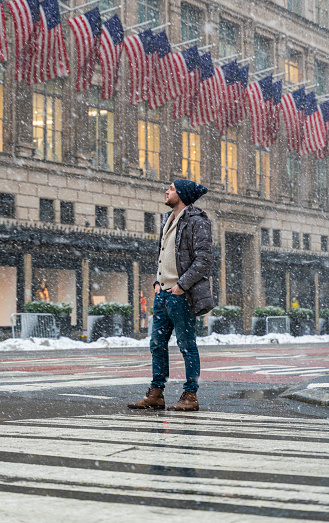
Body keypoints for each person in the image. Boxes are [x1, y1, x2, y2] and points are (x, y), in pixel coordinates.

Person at [128, 179, 213, 412]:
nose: (167, 191)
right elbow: (163, 254)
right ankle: (156, 393)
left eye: (172, 189)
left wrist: (181, 286)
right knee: (156, 343)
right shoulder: (167, 219)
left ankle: (190, 395)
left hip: (181, 295)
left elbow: (204, 260)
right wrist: (157, 280)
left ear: (182, 194)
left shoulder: (197, 221)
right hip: (162, 294)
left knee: (187, 344)